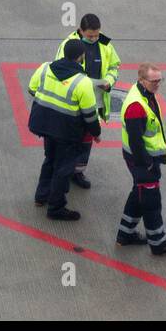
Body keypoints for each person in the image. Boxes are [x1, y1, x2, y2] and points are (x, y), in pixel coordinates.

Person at [27, 39, 101, 220]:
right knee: (64, 168)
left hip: (44, 125)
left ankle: (41, 196)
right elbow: (89, 114)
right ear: (81, 57)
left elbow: (32, 89)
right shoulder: (82, 82)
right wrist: (96, 133)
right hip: (67, 132)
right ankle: (56, 207)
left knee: (49, 159)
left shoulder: (45, 67)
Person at [116, 64, 166, 254]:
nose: (157, 84)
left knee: (138, 193)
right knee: (151, 201)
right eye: (153, 81)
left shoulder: (144, 94)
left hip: (142, 159)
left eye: (159, 80)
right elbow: (136, 140)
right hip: (142, 161)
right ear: (141, 80)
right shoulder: (137, 106)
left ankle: (125, 234)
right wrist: (146, 164)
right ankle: (159, 243)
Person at [56, 13, 120, 189]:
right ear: (81, 31)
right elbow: (61, 72)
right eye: (90, 35)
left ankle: (78, 171)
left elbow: (114, 66)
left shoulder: (105, 44)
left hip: (95, 101)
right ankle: (64, 170)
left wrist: (109, 81)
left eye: (96, 35)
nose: (94, 38)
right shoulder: (68, 46)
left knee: (86, 140)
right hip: (74, 102)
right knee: (70, 139)